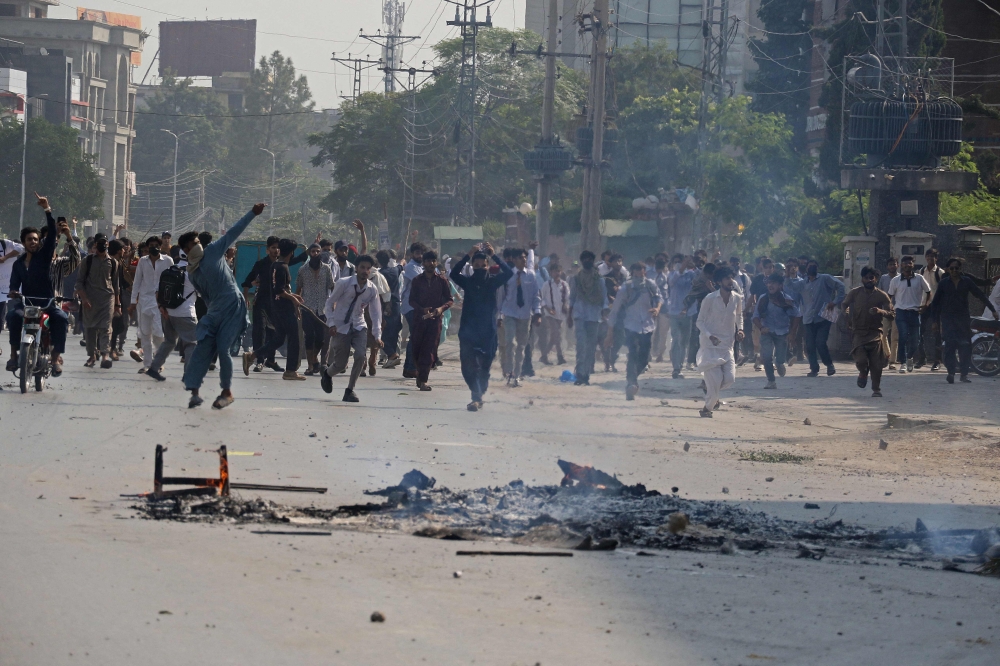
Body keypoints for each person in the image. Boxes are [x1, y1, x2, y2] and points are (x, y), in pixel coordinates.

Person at [183, 203, 266, 409]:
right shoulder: (192, 272)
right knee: (202, 346)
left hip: (233, 306)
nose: (198, 245)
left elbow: (234, 231)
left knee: (222, 349)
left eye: (198, 241)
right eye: (194, 243)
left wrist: (252, 213)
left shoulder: (213, 251)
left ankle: (226, 392)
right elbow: (205, 296)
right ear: (186, 250)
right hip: (215, 311)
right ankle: (194, 392)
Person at [5, 194, 74, 375]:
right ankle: (13, 355)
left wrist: (47, 210)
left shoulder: (44, 258)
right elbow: (14, 284)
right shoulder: (18, 263)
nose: (33, 242)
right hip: (26, 304)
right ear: (24, 242)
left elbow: (51, 234)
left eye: (36, 239)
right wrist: (13, 292)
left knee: (61, 318)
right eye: (30, 239)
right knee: (13, 316)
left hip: (47, 303)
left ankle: (55, 358)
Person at [450, 243, 513, 411]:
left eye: (483, 266)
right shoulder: (468, 283)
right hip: (468, 331)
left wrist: (494, 255)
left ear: (488, 267)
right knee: (468, 366)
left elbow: (509, 272)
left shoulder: (492, 283)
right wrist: (468, 254)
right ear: (472, 267)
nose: (480, 268)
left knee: (484, 366)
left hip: (487, 331)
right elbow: (453, 273)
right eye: (476, 266)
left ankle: (478, 394)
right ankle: (476, 397)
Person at [319, 255, 383, 402]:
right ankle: (327, 374)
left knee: (361, 356)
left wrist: (377, 335)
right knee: (340, 365)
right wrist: (331, 323)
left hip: (359, 326)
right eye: (362, 267)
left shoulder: (372, 290)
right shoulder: (343, 283)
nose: (365, 271)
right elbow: (329, 304)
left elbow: (375, 313)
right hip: (341, 327)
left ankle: (350, 390)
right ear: (356, 268)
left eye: (368, 268)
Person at [926, 257, 999, 383]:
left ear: (960, 269)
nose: (954, 270)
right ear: (948, 270)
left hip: (963, 318)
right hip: (948, 318)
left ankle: (964, 374)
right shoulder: (944, 283)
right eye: (952, 268)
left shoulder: (967, 281)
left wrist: (993, 309)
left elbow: (980, 295)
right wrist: (934, 321)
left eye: (957, 268)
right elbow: (936, 303)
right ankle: (951, 372)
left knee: (965, 346)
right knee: (950, 346)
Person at [242, 239, 307, 381]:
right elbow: (279, 290)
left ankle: (251, 356)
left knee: (278, 338)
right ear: (291, 252)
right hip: (283, 308)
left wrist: (293, 295)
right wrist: (294, 299)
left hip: (275, 307)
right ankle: (290, 370)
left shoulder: (275, 266)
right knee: (294, 338)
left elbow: (279, 288)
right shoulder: (282, 267)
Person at [146, 232, 200, 382]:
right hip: (186, 313)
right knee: (191, 343)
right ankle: (188, 375)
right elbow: (202, 294)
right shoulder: (192, 274)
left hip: (167, 312)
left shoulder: (169, 270)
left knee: (169, 341)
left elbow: (158, 291)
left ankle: (153, 368)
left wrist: (161, 307)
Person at [606, 262, 661, 400]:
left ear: (645, 271)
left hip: (648, 326)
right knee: (633, 353)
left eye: (641, 269)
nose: (639, 272)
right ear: (633, 272)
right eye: (636, 270)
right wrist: (610, 332)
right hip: (631, 326)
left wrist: (657, 309)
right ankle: (631, 383)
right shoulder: (626, 288)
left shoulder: (650, 285)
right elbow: (615, 309)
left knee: (644, 357)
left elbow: (659, 298)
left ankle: (632, 377)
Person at [695, 266, 744, 417]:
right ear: (719, 281)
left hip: (728, 345)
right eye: (727, 278)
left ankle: (710, 386)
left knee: (729, 379)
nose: (731, 281)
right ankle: (707, 409)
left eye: (732, 278)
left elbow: (739, 316)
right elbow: (700, 322)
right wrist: (710, 336)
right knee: (715, 383)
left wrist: (740, 329)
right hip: (710, 346)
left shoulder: (737, 298)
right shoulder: (709, 299)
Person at [842, 266, 893, 398]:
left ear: (876, 279)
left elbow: (891, 314)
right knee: (861, 361)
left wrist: (880, 311)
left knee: (876, 365)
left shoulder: (882, 295)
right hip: (858, 332)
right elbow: (845, 304)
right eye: (866, 278)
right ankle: (863, 372)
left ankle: (876, 389)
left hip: (875, 334)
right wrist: (846, 313)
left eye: (872, 277)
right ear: (862, 279)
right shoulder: (855, 293)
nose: (869, 280)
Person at [407, 250, 453, 390]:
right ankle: (420, 373)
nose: (431, 263)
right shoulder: (416, 281)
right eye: (428, 261)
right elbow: (411, 300)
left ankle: (423, 380)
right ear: (424, 263)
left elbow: (449, 300)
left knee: (429, 350)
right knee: (417, 349)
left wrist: (441, 309)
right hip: (419, 321)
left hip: (435, 321)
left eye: (433, 261)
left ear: (436, 262)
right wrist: (421, 309)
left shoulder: (442, 281)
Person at [75, 233, 120, 369]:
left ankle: (105, 355)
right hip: (90, 300)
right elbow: (79, 282)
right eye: (99, 242)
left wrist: (118, 304)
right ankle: (92, 356)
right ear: (95, 244)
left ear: (108, 245)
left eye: (104, 242)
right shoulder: (87, 261)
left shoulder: (113, 262)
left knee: (106, 327)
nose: (102, 245)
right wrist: (84, 299)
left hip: (107, 300)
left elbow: (116, 285)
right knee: (90, 329)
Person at [793, 259, 845, 377]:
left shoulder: (825, 278)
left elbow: (841, 286)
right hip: (808, 318)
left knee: (820, 342)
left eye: (814, 266)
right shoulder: (803, 283)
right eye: (809, 266)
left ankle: (829, 365)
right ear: (806, 269)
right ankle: (814, 369)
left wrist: (835, 301)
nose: (811, 268)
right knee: (810, 345)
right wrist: (787, 273)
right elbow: (790, 286)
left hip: (823, 316)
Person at [130, 236, 174, 374]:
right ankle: (147, 364)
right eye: (151, 245)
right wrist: (132, 302)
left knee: (159, 333)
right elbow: (137, 281)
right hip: (144, 301)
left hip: (161, 303)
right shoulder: (143, 261)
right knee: (145, 334)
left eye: (156, 245)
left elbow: (174, 280)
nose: (154, 247)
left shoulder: (168, 261)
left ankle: (159, 361)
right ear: (147, 247)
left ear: (160, 247)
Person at [499, 248, 542, 386]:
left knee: (521, 347)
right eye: (520, 258)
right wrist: (499, 315)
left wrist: (538, 312)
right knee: (510, 343)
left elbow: (536, 296)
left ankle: (517, 375)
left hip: (525, 315)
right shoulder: (507, 275)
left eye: (525, 258)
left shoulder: (531, 275)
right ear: (514, 260)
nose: (524, 260)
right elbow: (501, 297)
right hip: (509, 313)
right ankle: (510, 373)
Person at [241, 236, 282, 373]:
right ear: (267, 250)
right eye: (273, 248)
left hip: (276, 303)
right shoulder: (261, 264)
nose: (276, 250)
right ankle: (259, 361)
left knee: (275, 332)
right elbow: (247, 281)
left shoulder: (281, 265)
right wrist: (245, 298)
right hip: (261, 302)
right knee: (259, 331)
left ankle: (270, 360)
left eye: (277, 248)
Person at [568, 250, 609, 386]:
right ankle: (580, 373)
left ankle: (586, 374)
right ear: (581, 261)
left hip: (594, 316)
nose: (587, 261)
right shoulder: (576, 279)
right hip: (580, 316)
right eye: (584, 259)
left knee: (591, 347)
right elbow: (572, 298)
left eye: (589, 259)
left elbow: (604, 299)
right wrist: (569, 315)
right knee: (581, 345)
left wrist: (604, 311)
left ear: (592, 261)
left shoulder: (600, 280)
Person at [752, 273, 799, 389]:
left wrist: (792, 333)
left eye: (773, 283)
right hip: (766, 331)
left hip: (782, 332)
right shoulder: (763, 299)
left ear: (780, 285)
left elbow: (797, 316)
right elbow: (755, 317)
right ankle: (771, 381)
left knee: (780, 358)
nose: (770, 285)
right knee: (767, 357)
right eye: (769, 283)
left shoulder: (787, 300)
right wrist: (761, 327)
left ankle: (780, 364)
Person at [296, 243, 335, 375]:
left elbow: (332, 287)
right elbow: (298, 289)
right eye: (313, 251)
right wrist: (296, 305)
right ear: (309, 253)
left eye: (318, 251)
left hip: (322, 309)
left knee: (320, 338)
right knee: (309, 336)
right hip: (307, 308)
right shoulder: (302, 270)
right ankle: (310, 366)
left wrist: (335, 303)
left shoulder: (327, 269)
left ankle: (314, 359)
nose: (316, 254)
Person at [887, 256, 930, 373]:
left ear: (913, 265)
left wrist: (926, 304)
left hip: (915, 312)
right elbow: (889, 296)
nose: (907, 265)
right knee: (903, 336)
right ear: (901, 265)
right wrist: (890, 307)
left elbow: (928, 291)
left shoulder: (919, 278)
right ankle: (903, 363)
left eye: (909, 263)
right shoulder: (895, 280)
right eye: (905, 263)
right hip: (901, 312)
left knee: (915, 340)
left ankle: (910, 357)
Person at [666, 255, 696, 379]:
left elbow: (702, 276)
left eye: (681, 262)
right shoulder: (672, 275)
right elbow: (673, 281)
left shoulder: (691, 275)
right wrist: (682, 266)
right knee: (676, 339)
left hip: (688, 313)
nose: (679, 264)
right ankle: (676, 368)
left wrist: (692, 264)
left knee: (684, 342)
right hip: (674, 313)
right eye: (677, 262)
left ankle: (680, 366)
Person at [399, 242, 426, 379]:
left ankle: (409, 367)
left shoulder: (422, 267)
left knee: (417, 337)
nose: (420, 255)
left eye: (422, 253)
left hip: (421, 307)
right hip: (411, 306)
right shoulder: (411, 267)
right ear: (412, 254)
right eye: (417, 253)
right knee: (415, 336)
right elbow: (422, 282)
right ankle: (410, 367)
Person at [917, 248, 946, 370]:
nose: (930, 259)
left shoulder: (940, 272)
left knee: (937, 333)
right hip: (923, 305)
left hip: (936, 306)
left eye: (932, 256)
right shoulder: (921, 271)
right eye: (928, 256)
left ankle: (937, 360)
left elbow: (943, 290)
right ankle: (921, 358)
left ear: (936, 258)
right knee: (920, 332)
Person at [377, 249, 404, 369]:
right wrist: (402, 259)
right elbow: (401, 265)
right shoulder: (395, 270)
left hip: (385, 305)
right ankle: (391, 357)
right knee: (394, 332)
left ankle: (392, 354)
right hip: (396, 305)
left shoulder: (379, 274)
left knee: (382, 333)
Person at [539, 264, 570, 365]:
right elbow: (541, 299)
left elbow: (567, 298)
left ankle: (544, 356)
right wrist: (548, 308)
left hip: (560, 314)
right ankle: (560, 356)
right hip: (550, 314)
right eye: (554, 271)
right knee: (557, 334)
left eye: (558, 271)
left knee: (554, 337)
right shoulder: (546, 285)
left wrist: (565, 305)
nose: (556, 273)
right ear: (551, 273)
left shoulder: (564, 285)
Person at [0, 234, 25, 360]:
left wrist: (5, 257)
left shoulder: (5, 244)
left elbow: (21, 248)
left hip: (4, 290)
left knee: (2, 319)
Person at [877, 257, 899, 370]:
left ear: (897, 265)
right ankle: (888, 354)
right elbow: (880, 292)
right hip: (885, 310)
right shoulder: (884, 278)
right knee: (882, 335)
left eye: (894, 264)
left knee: (895, 337)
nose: (892, 266)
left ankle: (892, 361)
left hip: (897, 310)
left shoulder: (901, 278)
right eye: (890, 264)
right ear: (887, 266)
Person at [651, 257, 672, 363]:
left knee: (659, 331)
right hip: (660, 307)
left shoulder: (664, 277)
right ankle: (657, 353)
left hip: (662, 307)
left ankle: (658, 353)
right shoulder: (660, 277)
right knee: (658, 332)